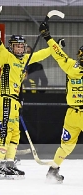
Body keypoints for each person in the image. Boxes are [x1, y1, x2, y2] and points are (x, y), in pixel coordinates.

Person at [0, 31, 52, 179]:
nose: (20, 49)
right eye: (17, 46)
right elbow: (0, 48)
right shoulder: (7, 57)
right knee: (4, 131)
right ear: (11, 47)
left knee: (15, 134)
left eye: (22, 46)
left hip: (15, 101)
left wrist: (54, 46)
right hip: (5, 98)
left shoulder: (25, 59)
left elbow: (41, 54)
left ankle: (10, 163)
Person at [39, 21, 82, 183]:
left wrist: (47, 36)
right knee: (66, 145)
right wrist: (48, 37)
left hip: (72, 113)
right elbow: (58, 53)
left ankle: (53, 170)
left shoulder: (71, 66)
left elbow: (58, 53)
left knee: (66, 146)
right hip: (72, 113)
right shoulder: (71, 66)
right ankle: (53, 171)